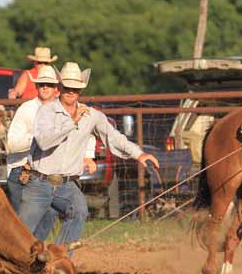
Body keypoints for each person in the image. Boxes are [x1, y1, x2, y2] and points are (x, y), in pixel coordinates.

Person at [18, 62, 160, 248]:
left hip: (67, 184)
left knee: (79, 211)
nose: (71, 91)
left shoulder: (92, 115)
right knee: (20, 235)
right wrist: (72, 122)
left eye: (75, 88)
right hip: (39, 182)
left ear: (80, 91)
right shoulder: (46, 111)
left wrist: (139, 154)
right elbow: (44, 141)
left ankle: (60, 257)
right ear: (59, 88)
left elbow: (114, 137)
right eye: (67, 87)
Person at [0, 65, 95, 274]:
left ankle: (56, 263)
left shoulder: (65, 110)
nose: (46, 88)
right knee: (23, 233)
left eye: (50, 85)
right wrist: (42, 138)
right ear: (36, 87)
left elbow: (84, 132)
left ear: (57, 88)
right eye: (42, 84)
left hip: (49, 178)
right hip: (23, 174)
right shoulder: (27, 110)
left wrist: (88, 155)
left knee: (49, 222)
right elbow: (14, 144)